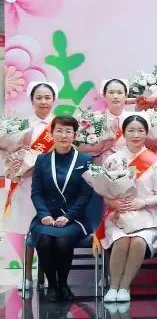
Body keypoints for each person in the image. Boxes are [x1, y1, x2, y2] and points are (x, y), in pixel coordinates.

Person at [101, 114, 157, 303]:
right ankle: (113, 287)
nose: (136, 135)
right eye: (131, 130)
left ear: (146, 133)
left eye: (140, 130)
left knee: (138, 242)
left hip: (147, 213)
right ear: (124, 133)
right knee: (121, 241)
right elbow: (105, 193)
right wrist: (114, 203)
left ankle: (125, 287)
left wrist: (143, 202)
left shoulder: (156, 160)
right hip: (119, 213)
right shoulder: (112, 160)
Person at [28, 116, 93, 302]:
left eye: (68, 131)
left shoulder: (85, 160)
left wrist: (69, 216)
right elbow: (36, 192)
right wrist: (44, 214)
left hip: (74, 218)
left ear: (75, 135)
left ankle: (63, 284)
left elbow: (86, 194)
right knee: (45, 240)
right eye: (59, 131)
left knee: (63, 241)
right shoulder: (42, 160)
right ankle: (52, 285)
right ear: (52, 133)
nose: (63, 135)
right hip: (46, 217)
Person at [5, 81, 57, 291]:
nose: (43, 101)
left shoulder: (59, 125)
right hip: (26, 183)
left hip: (51, 184)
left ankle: (48, 273)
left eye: (47, 97)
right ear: (31, 100)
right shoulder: (22, 126)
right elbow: (9, 153)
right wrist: (18, 165)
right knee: (26, 229)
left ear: (54, 100)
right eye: (39, 97)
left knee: (47, 229)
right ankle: (26, 275)